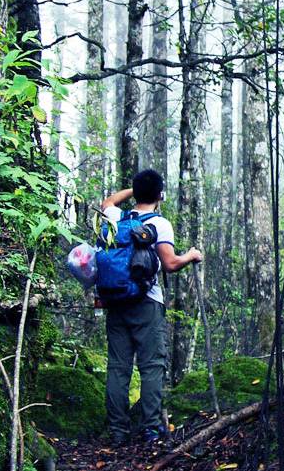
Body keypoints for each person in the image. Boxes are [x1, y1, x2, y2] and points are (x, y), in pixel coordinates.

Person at [99, 169, 204, 445]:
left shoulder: (117, 217)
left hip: (116, 300)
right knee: (151, 366)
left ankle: (118, 431)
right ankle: (151, 429)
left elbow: (107, 202)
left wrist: (135, 190)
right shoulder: (160, 223)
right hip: (147, 302)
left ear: (136, 192)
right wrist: (191, 255)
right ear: (160, 194)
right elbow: (169, 264)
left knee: (118, 367)